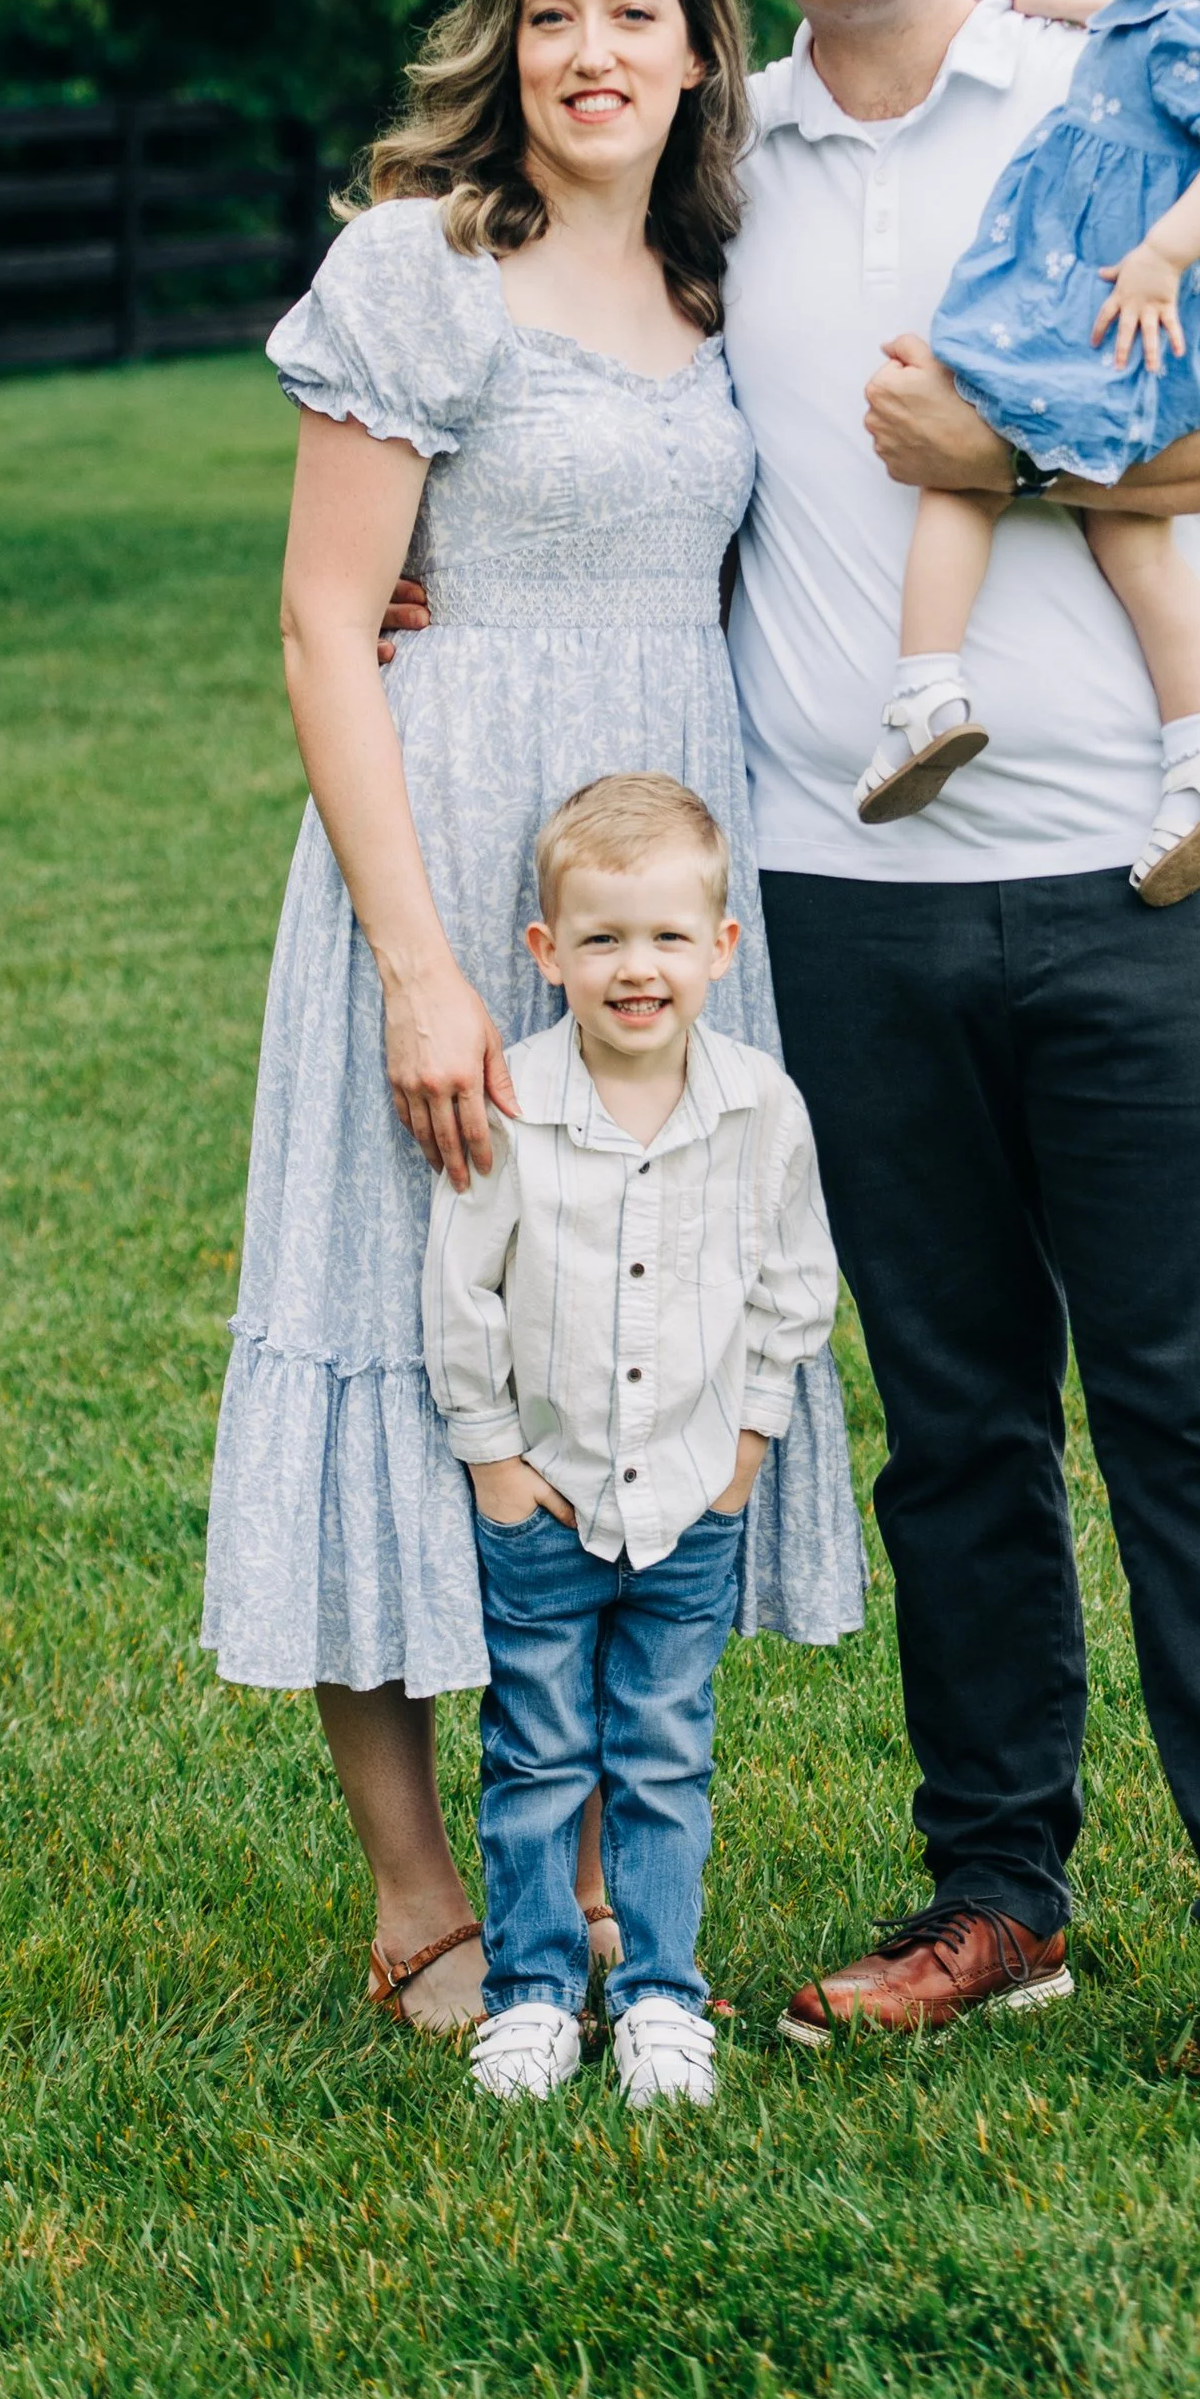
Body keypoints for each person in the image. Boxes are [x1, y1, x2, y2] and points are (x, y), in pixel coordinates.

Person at [700, 0, 1200, 2092]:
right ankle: (996, 1892)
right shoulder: (724, 159)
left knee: (1196, 1399)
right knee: (956, 1421)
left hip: (1146, 868)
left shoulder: (1107, 68)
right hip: (846, 886)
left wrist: (1001, 432)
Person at [199, 0, 864, 2036]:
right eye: (553, 13)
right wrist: (419, 968)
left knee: (620, 1344)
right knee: (407, 1324)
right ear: (508, 40)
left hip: (664, 872)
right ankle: (421, 1904)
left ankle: (574, 1876)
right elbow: (321, 618)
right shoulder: (418, 270)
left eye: (636, 14)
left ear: (700, 44)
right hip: (447, 853)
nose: (594, 52)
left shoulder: (719, 273)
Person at [425, 774, 838, 2111]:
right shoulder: (515, 1104)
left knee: (664, 1749)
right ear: (547, 953)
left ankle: (661, 1991)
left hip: (689, 1498)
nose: (636, 966)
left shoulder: (759, 1105)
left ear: (722, 947)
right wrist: (491, 1456)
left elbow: (793, 1282)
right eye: (601, 938)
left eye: (667, 935)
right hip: (543, 1497)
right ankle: (536, 1994)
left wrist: (749, 1442)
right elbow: (460, 1288)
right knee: (537, 1749)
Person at [860, 0, 1200, 909]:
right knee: (1125, 522)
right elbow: (1137, 28)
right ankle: (1197, 742)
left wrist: (1161, 257)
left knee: (965, 470)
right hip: (1092, 288)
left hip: (1114, 297)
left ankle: (927, 691)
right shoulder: (1161, 9)